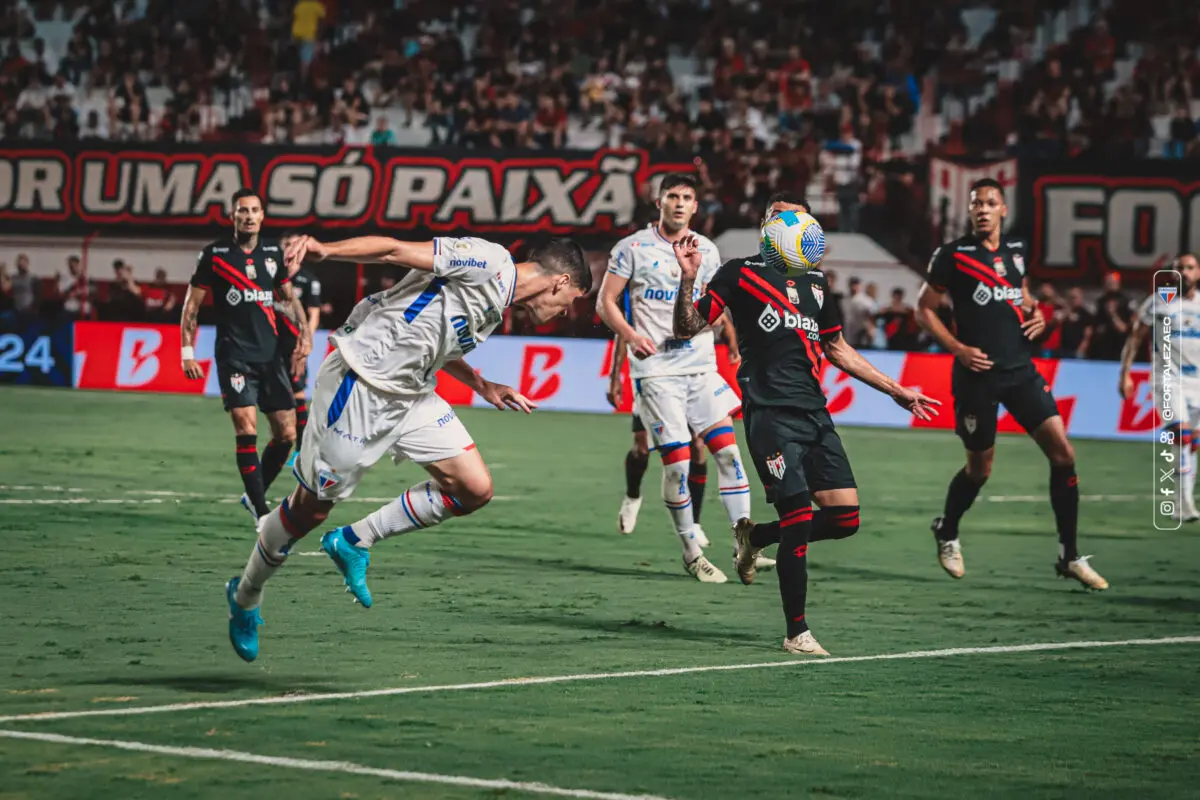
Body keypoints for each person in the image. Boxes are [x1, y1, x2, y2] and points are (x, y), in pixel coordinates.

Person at [224, 234, 591, 662]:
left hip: (412, 393)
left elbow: (432, 340)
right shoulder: (488, 261)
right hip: (360, 384)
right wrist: (327, 251)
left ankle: (354, 541)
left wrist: (482, 385)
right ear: (561, 282)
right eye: (571, 302)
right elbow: (395, 250)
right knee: (309, 511)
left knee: (473, 488)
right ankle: (246, 595)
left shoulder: (497, 305)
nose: (565, 312)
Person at [672, 191, 940, 655]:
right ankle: (797, 631)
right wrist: (688, 278)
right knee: (797, 516)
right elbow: (688, 327)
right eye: (784, 219)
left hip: (814, 412)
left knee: (845, 518)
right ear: (767, 225)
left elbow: (837, 348)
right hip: (769, 413)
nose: (793, 227)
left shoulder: (816, 282)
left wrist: (896, 389)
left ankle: (756, 536)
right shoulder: (739, 273)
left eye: (800, 220)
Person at [915, 178, 1107, 590]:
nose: (982, 210)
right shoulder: (952, 255)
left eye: (990, 203)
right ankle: (947, 530)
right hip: (977, 376)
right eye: (976, 204)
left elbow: (1020, 294)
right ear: (970, 211)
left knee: (1063, 454)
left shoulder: (1016, 250)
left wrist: (1038, 313)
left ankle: (1069, 556)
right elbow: (923, 310)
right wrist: (958, 349)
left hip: (1021, 371)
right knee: (979, 470)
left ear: (1003, 209)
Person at [597, 173, 757, 584]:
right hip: (657, 373)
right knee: (678, 466)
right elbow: (605, 302)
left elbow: (715, 307)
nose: (679, 203)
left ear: (696, 206)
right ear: (659, 202)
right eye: (672, 196)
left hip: (701, 368)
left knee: (729, 455)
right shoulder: (632, 248)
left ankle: (745, 545)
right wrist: (631, 336)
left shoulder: (707, 249)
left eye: (687, 197)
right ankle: (691, 553)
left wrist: (726, 333)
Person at [181, 189, 311, 523]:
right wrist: (187, 352)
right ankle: (261, 512)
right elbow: (192, 306)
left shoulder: (272, 252)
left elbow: (288, 297)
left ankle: (253, 494)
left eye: (254, 210)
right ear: (232, 216)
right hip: (234, 356)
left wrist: (305, 334)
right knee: (246, 428)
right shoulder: (215, 255)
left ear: (262, 216)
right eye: (243, 211)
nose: (249, 216)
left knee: (286, 435)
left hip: (270, 357)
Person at [1119, 253, 1200, 521]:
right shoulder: (1160, 300)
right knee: (1182, 435)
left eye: (1190, 268)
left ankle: (1180, 504)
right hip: (1167, 379)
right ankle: (1185, 504)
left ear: (1198, 272)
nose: (1184, 272)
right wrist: (1125, 374)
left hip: (1197, 382)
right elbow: (1135, 337)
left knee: (1193, 443)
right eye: (1180, 268)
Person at [277, 232, 323, 468]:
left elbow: (314, 314)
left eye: (294, 244)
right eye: (287, 244)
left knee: (297, 395)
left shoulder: (308, 280)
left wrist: (306, 340)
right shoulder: (270, 275)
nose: (290, 248)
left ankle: (301, 452)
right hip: (269, 343)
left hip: (293, 345)